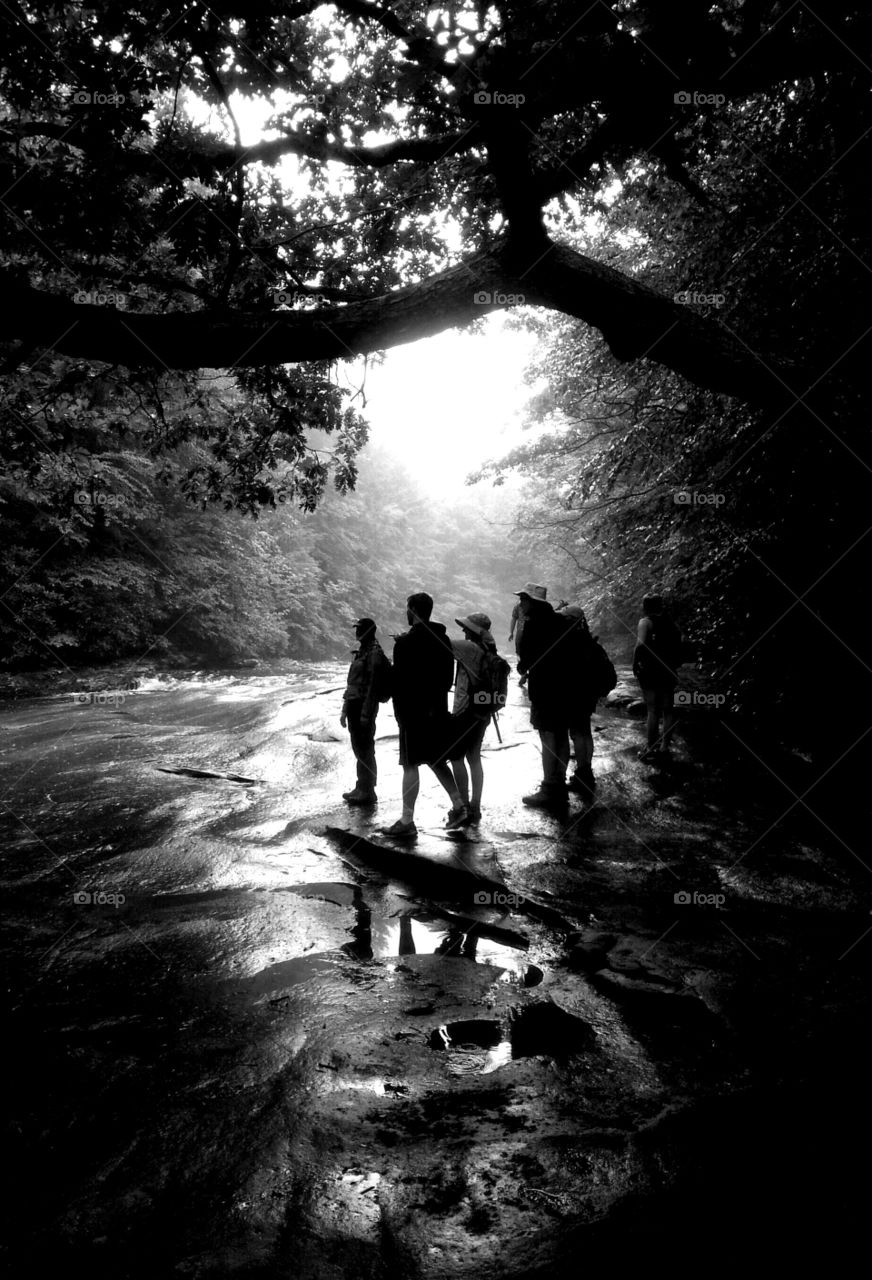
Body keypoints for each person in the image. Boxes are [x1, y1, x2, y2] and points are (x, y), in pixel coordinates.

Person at [383, 592, 467, 839]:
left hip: (412, 713)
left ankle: (407, 821)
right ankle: (459, 806)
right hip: (438, 711)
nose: (406, 613)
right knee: (436, 759)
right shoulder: (443, 640)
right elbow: (446, 680)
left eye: (407, 609)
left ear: (413, 610)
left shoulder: (405, 644)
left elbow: (399, 682)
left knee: (410, 764)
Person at [516, 585, 599, 808]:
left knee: (548, 738)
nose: (521, 604)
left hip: (544, 691)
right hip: (566, 691)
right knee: (561, 735)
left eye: (523, 600)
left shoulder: (532, 626)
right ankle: (559, 784)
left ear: (533, 602)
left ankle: (549, 787)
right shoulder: (564, 623)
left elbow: (524, 663)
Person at [449, 612, 499, 825]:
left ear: (475, 631)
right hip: (483, 712)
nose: (463, 630)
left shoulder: (469, 648)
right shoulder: (487, 649)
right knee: (474, 757)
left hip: (467, 712)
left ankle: (464, 806)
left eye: (466, 627)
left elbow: (439, 641)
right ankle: (475, 805)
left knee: (456, 757)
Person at [340, 617, 391, 804]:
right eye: (357, 629)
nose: (357, 633)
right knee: (359, 748)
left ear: (370, 631)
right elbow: (352, 682)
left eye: (360, 629)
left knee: (365, 748)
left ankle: (368, 790)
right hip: (355, 704)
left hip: (364, 705)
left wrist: (365, 713)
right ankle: (361, 786)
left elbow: (373, 686)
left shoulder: (374, 653)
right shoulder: (362, 651)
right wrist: (345, 709)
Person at [632, 593, 683, 760]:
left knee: (653, 710)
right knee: (668, 710)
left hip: (651, 670)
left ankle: (650, 748)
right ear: (660, 605)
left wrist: (635, 662)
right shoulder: (671, 623)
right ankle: (665, 747)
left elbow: (641, 644)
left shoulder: (645, 622)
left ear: (645, 606)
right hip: (668, 669)